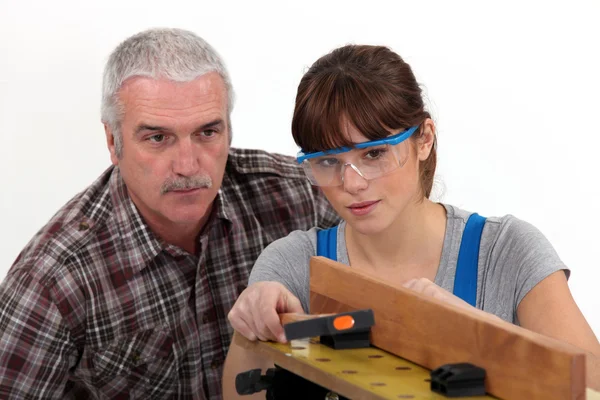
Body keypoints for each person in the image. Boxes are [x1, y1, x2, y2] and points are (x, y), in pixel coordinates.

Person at [223, 44, 600, 397]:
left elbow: (591, 385)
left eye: (374, 154)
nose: (352, 183)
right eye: (327, 162)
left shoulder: (507, 251)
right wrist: (254, 332)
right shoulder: (291, 264)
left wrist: (474, 329)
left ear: (424, 139)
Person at [0, 28, 339, 399]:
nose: (188, 165)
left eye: (207, 132)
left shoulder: (299, 194)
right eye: (158, 138)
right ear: (113, 142)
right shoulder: (54, 279)